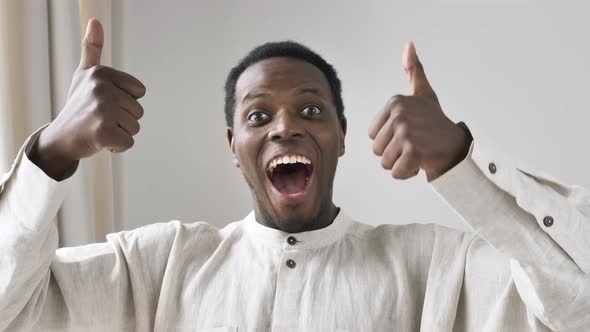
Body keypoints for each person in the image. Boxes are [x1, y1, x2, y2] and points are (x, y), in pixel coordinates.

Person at [0, 18, 588, 332]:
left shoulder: (437, 268)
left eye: (312, 111)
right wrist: (51, 152)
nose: (285, 127)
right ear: (234, 146)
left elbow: (578, 303)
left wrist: (462, 157)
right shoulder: (157, 266)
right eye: (259, 115)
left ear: (339, 135)